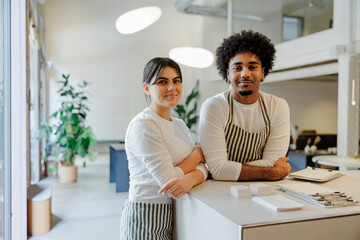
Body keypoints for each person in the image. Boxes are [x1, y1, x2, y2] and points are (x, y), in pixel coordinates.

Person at [120, 57, 208, 239]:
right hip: (144, 216)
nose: (171, 87)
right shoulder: (144, 125)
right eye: (162, 82)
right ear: (146, 88)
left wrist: (194, 176)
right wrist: (197, 155)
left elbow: (203, 167)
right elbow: (170, 182)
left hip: (174, 212)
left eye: (176, 81)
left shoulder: (180, 125)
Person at [199, 30, 291, 181]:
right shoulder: (214, 107)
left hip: (263, 190)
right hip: (221, 192)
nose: (245, 74)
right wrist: (271, 172)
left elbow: (272, 161)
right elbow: (218, 170)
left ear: (263, 72)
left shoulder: (278, 106)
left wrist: (228, 168)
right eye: (238, 68)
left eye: (252, 67)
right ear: (228, 74)